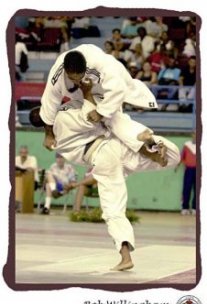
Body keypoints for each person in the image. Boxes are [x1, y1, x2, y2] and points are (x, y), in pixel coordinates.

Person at [29, 82, 180, 271]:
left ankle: (125, 257)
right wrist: (86, 91)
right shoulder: (62, 117)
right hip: (118, 145)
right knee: (172, 156)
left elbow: (86, 116)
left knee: (113, 211)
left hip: (102, 157)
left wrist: (85, 94)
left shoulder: (54, 138)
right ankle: (151, 144)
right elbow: (90, 116)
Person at [39, 43, 158, 155]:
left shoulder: (103, 64)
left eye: (79, 77)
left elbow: (117, 89)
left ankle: (140, 136)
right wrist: (48, 135)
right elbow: (49, 103)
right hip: (80, 93)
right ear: (66, 72)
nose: (77, 81)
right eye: (72, 78)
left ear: (85, 69)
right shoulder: (56, 76)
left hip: (104, 85)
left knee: (110, 118)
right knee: (103, 120)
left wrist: (101, 112)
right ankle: (140, 134)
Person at [175, 132, 196, 215]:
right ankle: (185, 207)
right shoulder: (187, 145)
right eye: (194, 134)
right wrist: (177, 165)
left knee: (197, 190)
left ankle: (195, 208)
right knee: (186, 188)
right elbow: (182, 156)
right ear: (192, 135)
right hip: (189, 169)